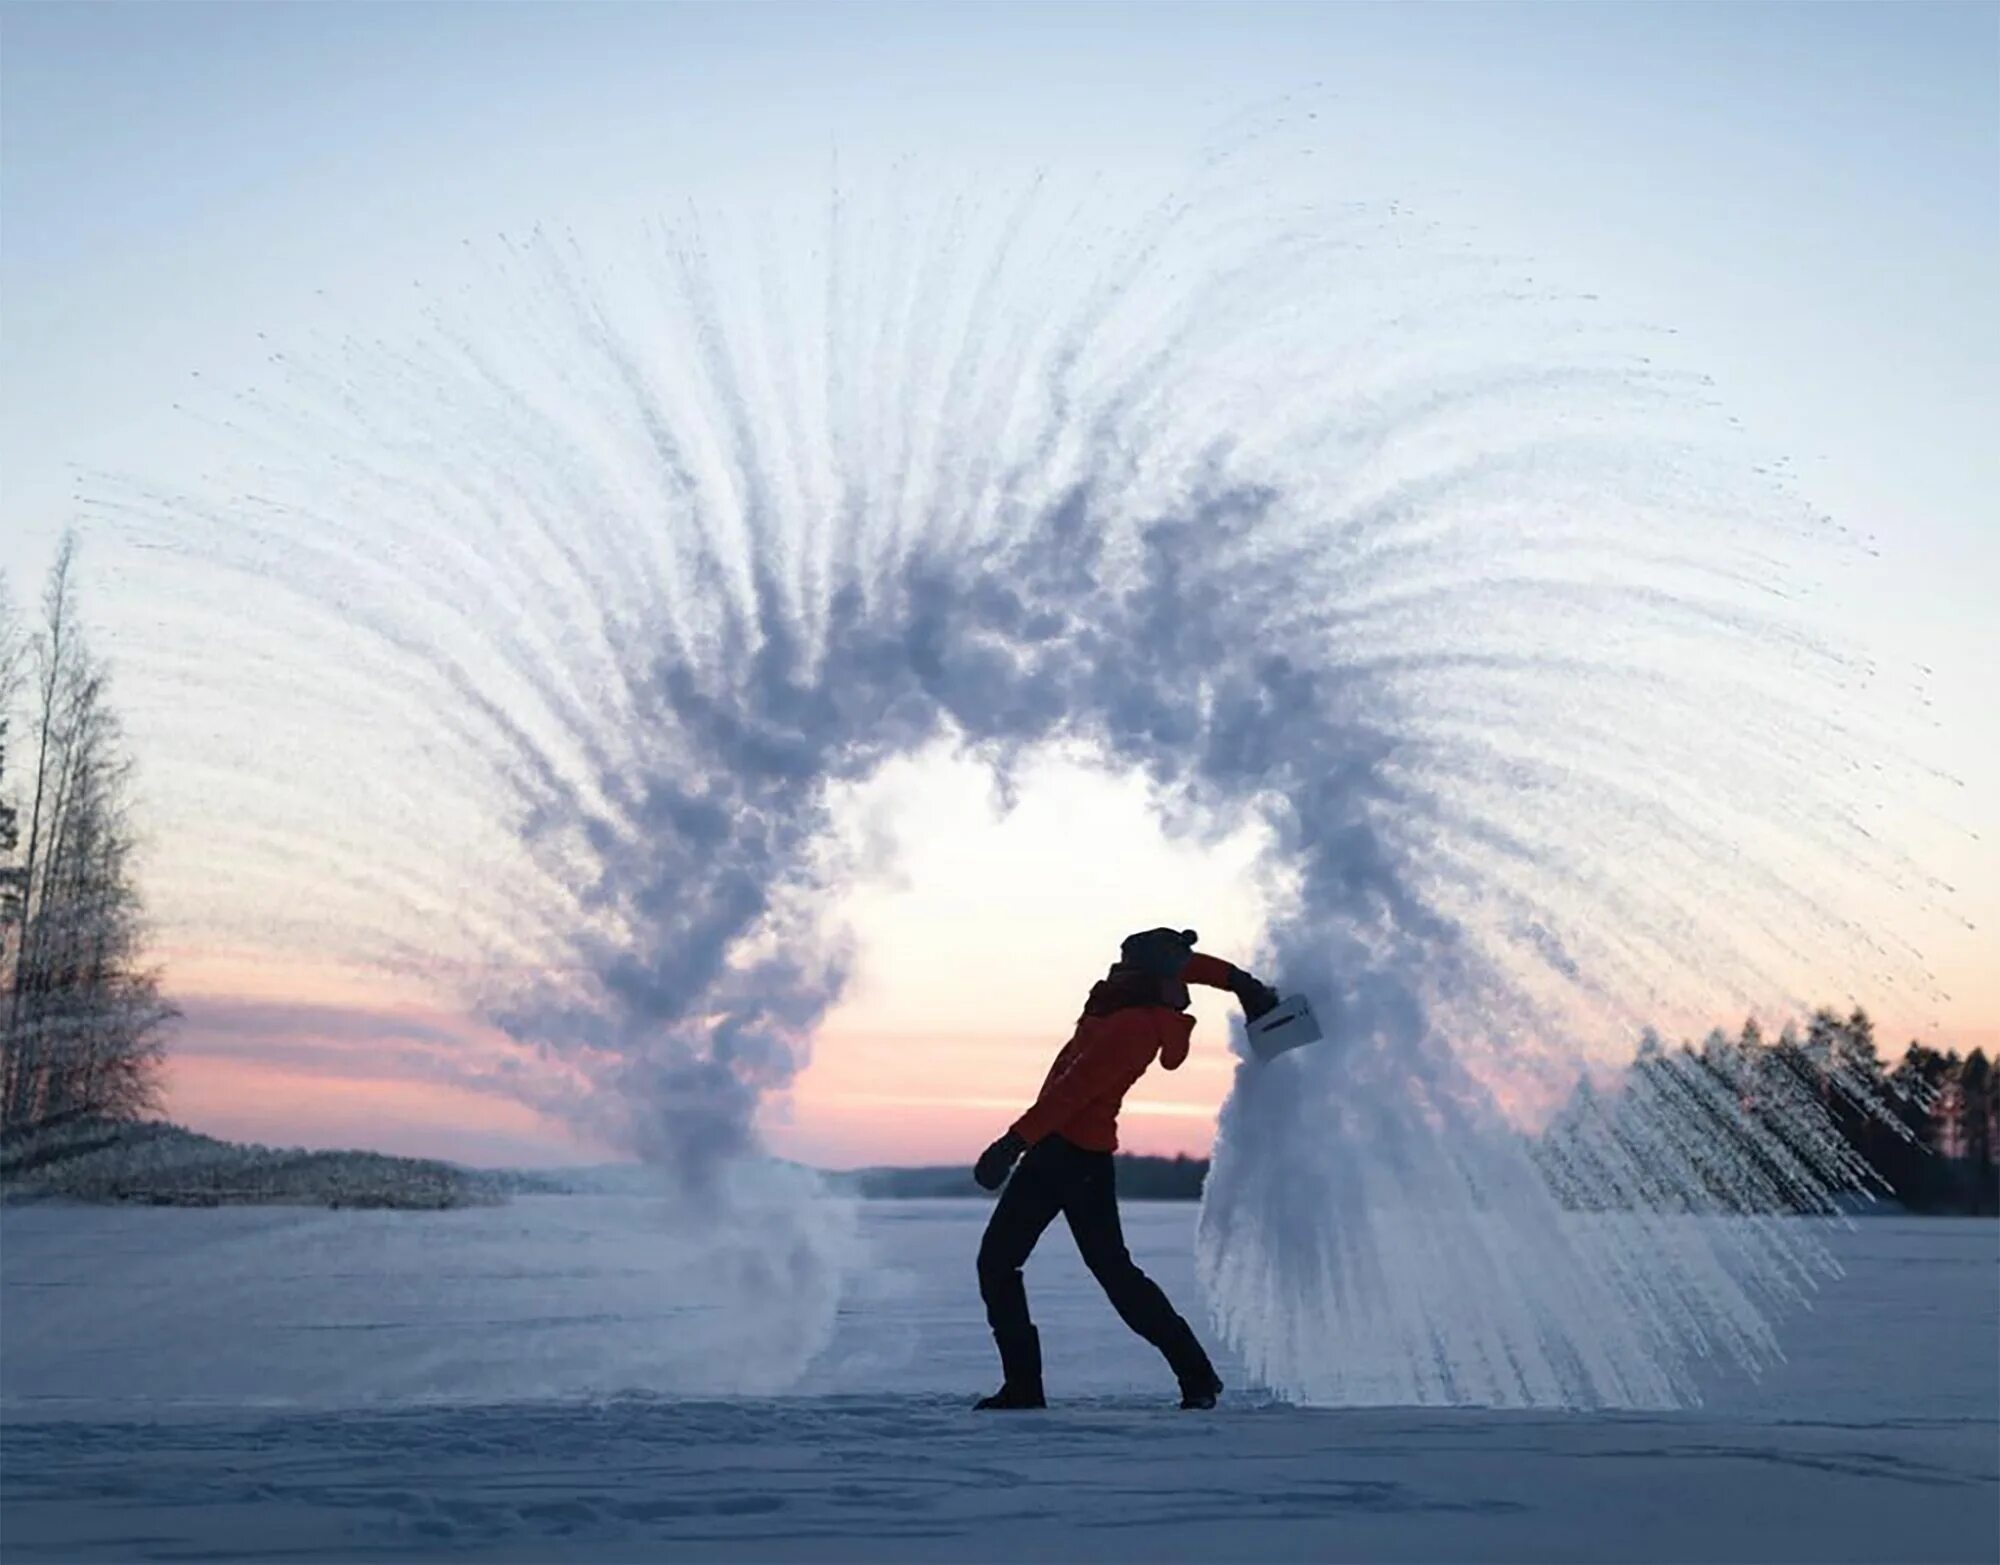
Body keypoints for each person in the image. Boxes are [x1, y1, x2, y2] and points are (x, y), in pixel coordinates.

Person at [969, 927, 1279, 1411]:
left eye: (1129, 961)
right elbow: (1192, 966)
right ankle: (1195, 1376)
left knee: (1004, 1263)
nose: (1119, 967)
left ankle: (1026, 1388)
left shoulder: (1133, 1024)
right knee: (1111, 1271)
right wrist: (1243, 982)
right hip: (1078, 1156)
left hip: (1063, 1153)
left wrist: (1011, 1144)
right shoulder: (1138, 990)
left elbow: (1072, 1094)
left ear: (1144, 968)